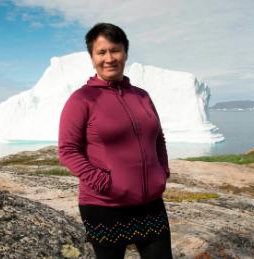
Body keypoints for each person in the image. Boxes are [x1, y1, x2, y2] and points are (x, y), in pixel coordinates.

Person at [58, 23, 173, 259]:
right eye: (101, 52)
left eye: (115, 50)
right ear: (92, 57)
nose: (109, 58)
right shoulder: (82, 100)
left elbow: (158, 137)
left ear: (125, 53)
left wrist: (162, 171)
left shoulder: (141, 96)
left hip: (150, 204)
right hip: (105, 207)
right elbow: (68, 150)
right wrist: (103, 183)